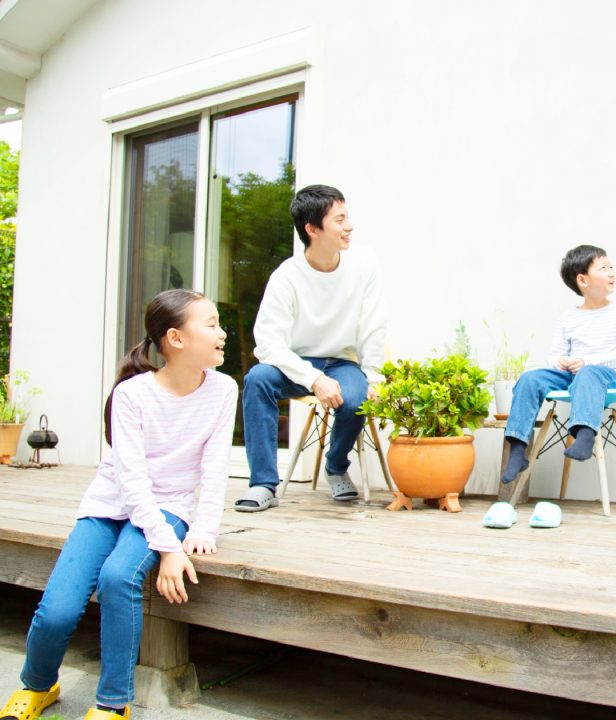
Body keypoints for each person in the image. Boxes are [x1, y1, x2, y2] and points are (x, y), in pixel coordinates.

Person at [0, 289, 237, 720]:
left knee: (117, 578)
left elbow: (214, 467)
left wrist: (202, 530)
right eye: (212, 324)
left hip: (170, 507)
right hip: (111, 504)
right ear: (176, 338)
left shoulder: (223, 390)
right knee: (57, 610)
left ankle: (113, 703)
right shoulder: (132, 394)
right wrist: (167, 548)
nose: (222, 333)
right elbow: (131, 482)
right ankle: (38, 685)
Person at [235, 184, 386, 512]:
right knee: (259, 378)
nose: (350, 226)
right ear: (312, 229)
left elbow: (373, 325)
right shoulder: (286, 277)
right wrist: (312, 378)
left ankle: (336, 464)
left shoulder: (363, 265)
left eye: (348, 217)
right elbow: (269, 343)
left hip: (342, 361)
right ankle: (263, 483)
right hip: (297, 363)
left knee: (356, 397)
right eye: (340, 219)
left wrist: (373, 378)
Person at [500, 245, 616, 484]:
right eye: (604, 268)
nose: (612, 272)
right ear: (583, 280)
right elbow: (554, 355)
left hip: (605, 375)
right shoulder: (568, 318)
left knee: (588, 373)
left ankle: (585, 434)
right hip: (573, 375)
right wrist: (560, 361)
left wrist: (587, 362)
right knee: (531, 379)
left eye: (612, 267)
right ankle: (518, 450)